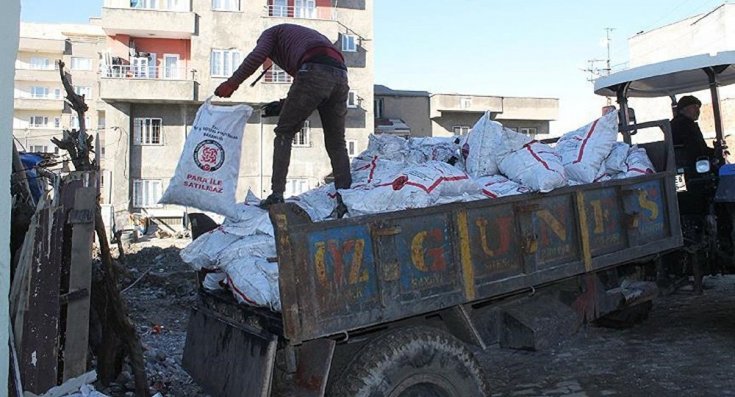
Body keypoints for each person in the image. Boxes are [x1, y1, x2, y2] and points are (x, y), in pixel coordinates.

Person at [214, 23, 351, 217]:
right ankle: (345, 198)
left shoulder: (270, 33)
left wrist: (232, 83)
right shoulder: (306, 38)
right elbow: (311, 90)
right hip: (341, 75)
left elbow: (256, 58)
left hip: (313, 69)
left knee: (284, 133)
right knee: (337, 142)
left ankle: (276, 195)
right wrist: (283, 105)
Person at [671, 95, 714, 166]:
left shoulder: (686, 123)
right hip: (691, 166)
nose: (698, 111)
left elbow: (699, 147)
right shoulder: (683, 124)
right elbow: (695, 149)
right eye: (694, 107)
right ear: (683, 109)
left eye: (698, 108)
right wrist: (713, 154)